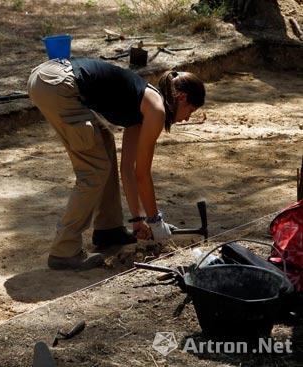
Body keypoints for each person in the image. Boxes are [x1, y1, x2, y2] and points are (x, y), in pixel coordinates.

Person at [27, 58, 205, 270]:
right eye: (191, 111)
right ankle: (64, 252)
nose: (186, 119)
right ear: (182, 98)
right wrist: (156, 222)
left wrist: (139, 220)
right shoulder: (156, 110)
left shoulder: (143, 105)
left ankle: (108, 230)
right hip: (56, 83)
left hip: (52, 79)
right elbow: (142, 174)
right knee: (94, 171)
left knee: (105, 145)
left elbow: (128, 169)